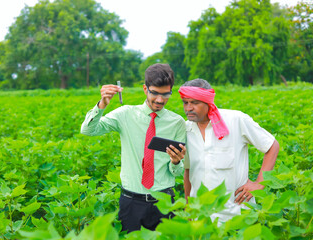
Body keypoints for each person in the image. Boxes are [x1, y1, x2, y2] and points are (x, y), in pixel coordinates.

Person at [80, 63, 186, 232]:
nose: (160, 100)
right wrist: (102, 104)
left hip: (164, 202)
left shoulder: (177, 123)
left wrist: (175, 162)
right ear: (145, 89)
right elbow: (88, 130)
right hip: (131, 203)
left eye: (166, 94)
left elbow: (178, 172)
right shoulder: (125, 114)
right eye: (155, 93)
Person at [179, 79, 279, 223]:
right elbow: (188, 171)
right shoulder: (186, 129)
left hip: (237, 215)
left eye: (194, 103)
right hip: (201, 218)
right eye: (185, 102)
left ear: (208, 102)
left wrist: (259, 184)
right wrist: (189, 209)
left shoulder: (235, 120)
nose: (188, 108)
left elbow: (272, 146)